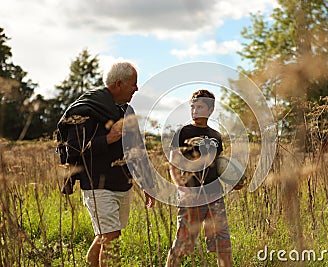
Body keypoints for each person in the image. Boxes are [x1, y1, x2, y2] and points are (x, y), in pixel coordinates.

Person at [58, 62, 154, 266]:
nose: (136, 88)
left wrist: (147, 184)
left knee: (107, 236)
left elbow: (137, 149)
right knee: (111, 237)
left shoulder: (127, 110)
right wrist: (107, 139)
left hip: (122, 183)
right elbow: (73, 149)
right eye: (133, 84)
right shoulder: (86, 109)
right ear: (119, 83)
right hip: (96, 185)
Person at [165, 89, 243, 267]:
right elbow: (173, 164)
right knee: (182, 244)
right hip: (191, 196)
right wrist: (182, 188)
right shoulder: (183, 132)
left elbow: (219, 165)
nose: (194, 110)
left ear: (210, 110)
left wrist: (234, 181)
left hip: (215, 195)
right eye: (192, 106)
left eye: (199, 106)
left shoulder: (216, 135)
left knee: (222, 244)